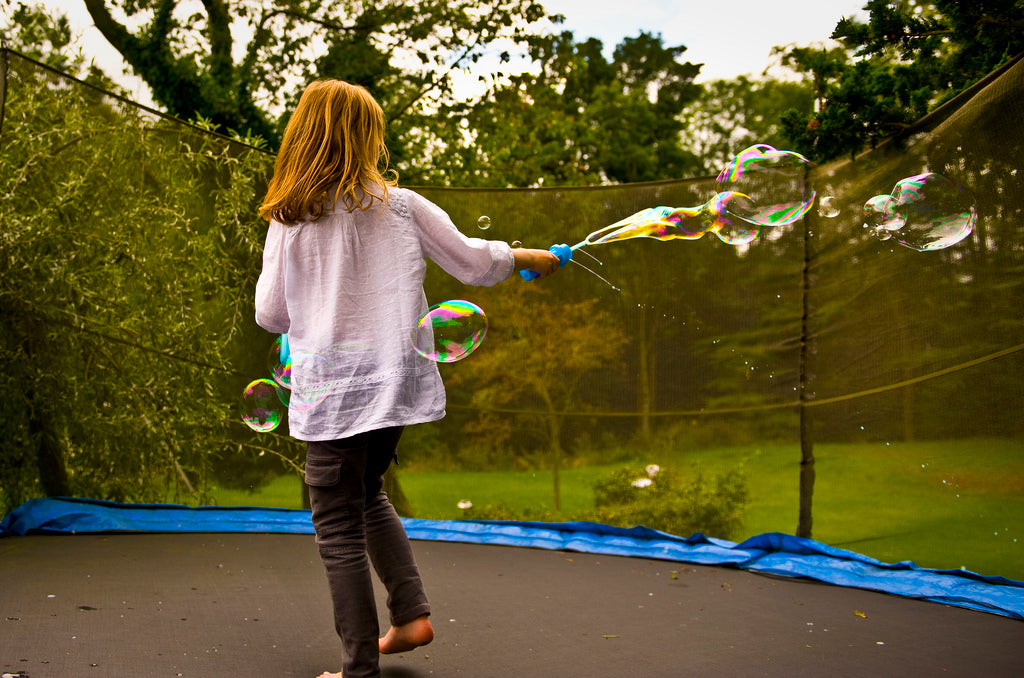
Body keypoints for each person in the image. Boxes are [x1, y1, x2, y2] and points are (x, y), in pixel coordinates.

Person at [254, 79, 561, 678]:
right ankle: (411, 614)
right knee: (367, 495)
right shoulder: (401, 206)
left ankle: (358, 668)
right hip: (393, 388)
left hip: (333, 395)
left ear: (302, 139)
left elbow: (272, 314)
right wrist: (527, 257)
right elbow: (473, 261)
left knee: (336, 522)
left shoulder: (290, 220)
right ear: (367, 140)